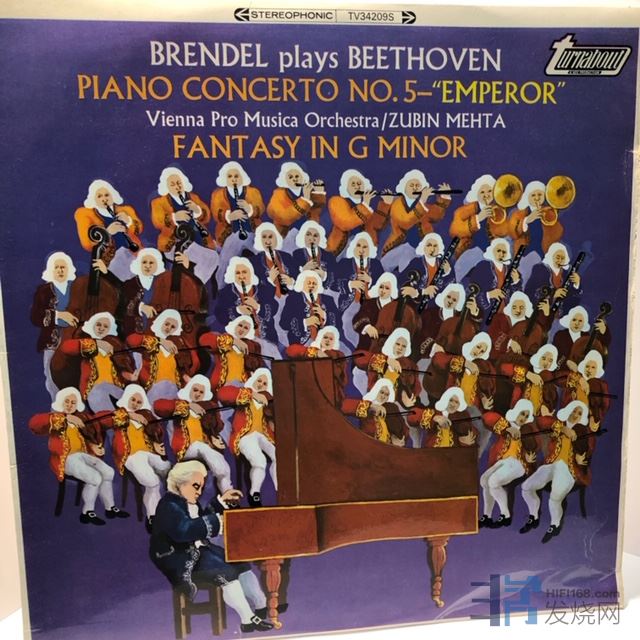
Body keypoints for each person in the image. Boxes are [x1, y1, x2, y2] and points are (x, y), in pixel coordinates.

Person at [149, 460, 273, 632]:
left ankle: (261, 605)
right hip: (178, 557)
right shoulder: (168, 505)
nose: (199, 492)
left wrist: (220, 502)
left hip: (197, 551)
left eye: (201, 487)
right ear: (180, 483)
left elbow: (200, 519)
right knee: (225, 571)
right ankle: (248, 619)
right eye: (195, 486)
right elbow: (184, 531)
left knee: (239, 563)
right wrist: (217, 521)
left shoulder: (186, 501)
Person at [29, 387, 129, 525]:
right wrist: (65, 417)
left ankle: (110, 508)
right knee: (95, 477)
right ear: (60, 401)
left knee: (108, 472)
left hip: (82, 456)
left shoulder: (82, 418)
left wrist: (93, 446)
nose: (70, 405)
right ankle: (87, 512)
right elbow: (34, 424)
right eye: (67, 402)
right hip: (65, 459)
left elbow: (100, 421)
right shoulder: (54, 418)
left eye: (73, 403)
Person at [519, 400, 594, 543]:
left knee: (555, 498)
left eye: (579, 413)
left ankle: (554, 525)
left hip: (569, 469)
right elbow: (542, 422)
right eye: (574, 411)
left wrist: (581, 458)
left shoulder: (584, 432)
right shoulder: (558, 425)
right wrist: (562, 428)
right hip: (551, 464)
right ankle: (534, 516)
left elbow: (589, 448)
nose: (575, 415)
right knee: (526, 487)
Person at [101, 384, 170, 532]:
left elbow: (157, 433)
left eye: (139, 402)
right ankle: (153, 516)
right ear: (126, 398)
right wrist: (129, 415)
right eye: (133, 400)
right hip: (131, 456)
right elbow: (101, 420)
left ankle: (171, 508)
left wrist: (156, 445)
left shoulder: (146, 416)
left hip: (149, 453)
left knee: (169, 470)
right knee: (153, 482)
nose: (135, 404)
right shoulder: (118, 416)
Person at [154, 375, 233, 494]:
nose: (197, 394)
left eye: (201, 392)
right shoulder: (179, 406)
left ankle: (227, 490)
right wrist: (189, 405)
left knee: (215, 456)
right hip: (185, 451)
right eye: (195, 390)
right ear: (189, 389)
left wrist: (214, 437)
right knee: (199, 446)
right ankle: (222, 475)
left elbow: (218, 426)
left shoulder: (207, 408)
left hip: (205, 450)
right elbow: (158, 406)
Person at [218, 368, 277, 508]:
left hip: (263, 435)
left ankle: (278, 489)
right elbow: (223, 394)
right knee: (259, 460)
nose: (261, 385)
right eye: (259, 381)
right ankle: (254, 493)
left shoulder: (268, 402)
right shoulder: (244, 395)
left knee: (278, 455)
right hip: (245, 437)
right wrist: (252, 394)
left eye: (264, 383)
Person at [479, 399, 538, 528]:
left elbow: (533, 447)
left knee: (493, 481)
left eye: (526, 416)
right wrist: (507, 429)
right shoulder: (506, 424)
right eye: (522, 413)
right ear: (516, 411)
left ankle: (505, 515)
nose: (523, 418)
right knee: (484, 480)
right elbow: (487, 418)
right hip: (502, 461)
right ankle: (487, 516)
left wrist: (528, 458)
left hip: (518, 464)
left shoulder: (527, 430)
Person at [60, 311, 136, 411]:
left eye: (105, 326)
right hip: (94, 393)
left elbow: (121, 369)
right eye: (98, 325)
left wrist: (129, 376)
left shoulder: (115, 345)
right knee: (101, 393)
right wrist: (97, 343)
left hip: (115, 390)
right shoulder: (86, 342)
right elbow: (66, 347)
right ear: (92, 325)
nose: (101, 328)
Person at [31, 252, 79, 400]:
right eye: (56, 267)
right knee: (52, 377)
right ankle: (57, 406)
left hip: (75, 339)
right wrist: (58, 315)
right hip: (52, 341)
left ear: (69, 268)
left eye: (63, 267)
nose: (60, 270)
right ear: (51, 270)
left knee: (76, 374)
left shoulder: (77, 287)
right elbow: (35, 316)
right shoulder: (44, 290)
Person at [125, 309, 197, 405]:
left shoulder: (177, 346)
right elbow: (131, 340)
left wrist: (189, 379)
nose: (168, 328)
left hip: (173, 390)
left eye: (173, 327)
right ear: (161, 322)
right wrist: (161, 341)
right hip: (153, 390)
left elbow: (181, 371)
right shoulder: (149, 341)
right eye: (166, 324)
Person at [74, 179, 143, 269]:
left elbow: (139, 230)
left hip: (133, 255)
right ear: (93, 199)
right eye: (99, 196)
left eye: (107, 195)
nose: (104, 199)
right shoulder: (85, 214)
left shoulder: (126, 210)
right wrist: (107, 233)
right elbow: (87, 244)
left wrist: (129, 221)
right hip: (107, 261)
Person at [382, 170, 452, 255]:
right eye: (411, 185)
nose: (414, 188)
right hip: (400, 247)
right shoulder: (397, 204)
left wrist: (444, 197)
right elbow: (405, 222)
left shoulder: (422, 203)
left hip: (423, 247)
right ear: (404, 187)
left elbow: (436, 215)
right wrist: (422, 201)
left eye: (418, 186)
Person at [326, 169, 391, 254]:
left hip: (364, 250)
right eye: (353, 184)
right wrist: (365, 205)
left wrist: (386, 204)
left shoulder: (367, 204)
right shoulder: (337, 201)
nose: (357, 187)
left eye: (359, 184)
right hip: (343, 250)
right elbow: (345, 223)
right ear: (346, 187)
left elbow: (377, 225)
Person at [151, 167, 213, 252]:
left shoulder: (194, 197)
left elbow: (207, 216)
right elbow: (158, 222)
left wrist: (197, 210)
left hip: (197, 236)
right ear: (166, 187)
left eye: (179, 183)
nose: (177, 187)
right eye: (172, 185)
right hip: (173, 240)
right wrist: (175, 217)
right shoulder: (158, 202)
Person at [449, 174, 509, 257]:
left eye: (489, 191)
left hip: (494, 251)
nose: (486, 195)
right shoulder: (467, 210)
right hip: (471, 251)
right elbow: (454, 230)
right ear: (476, 194)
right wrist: (478, 218)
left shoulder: (499, 209)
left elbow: (505, 232)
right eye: (482, 192)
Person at [210, 161, 265, 246]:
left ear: (242, 177)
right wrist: (228, 216)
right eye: (229, 176)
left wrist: (250, 209)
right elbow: (215, 212)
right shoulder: (218, 195)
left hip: (252, 230)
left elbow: (261, 208)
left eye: (236, 176)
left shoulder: (253, 192)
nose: (233, 179)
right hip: (228, 234)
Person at [280, 270, 339, 346]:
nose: (312, 285)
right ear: (301, 284)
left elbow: (338, 324)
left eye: (314, 283)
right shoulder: (293, 299)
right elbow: (283, 323)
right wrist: (305, 322)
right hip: (300, 345)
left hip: (324, 346)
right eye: (309, 283)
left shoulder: (328, 300)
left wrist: (324, 315)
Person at [266, 161, 326, 237]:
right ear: (284, 180)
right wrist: (305, 200)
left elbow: (315, 213)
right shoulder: (279, 194)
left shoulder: (307, 190)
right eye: (290, 177)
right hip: (285, 235)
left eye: (297, 176)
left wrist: (319, 193)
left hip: (307, 235)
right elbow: (283, 218)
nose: (294, 179)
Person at [341, 379, 405, 446]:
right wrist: (370, 406)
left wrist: (399, 439)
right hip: (368, 446)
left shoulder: (390, 409)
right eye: (381, 392)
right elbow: (344, 406)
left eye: (386, 395)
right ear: (376, 390)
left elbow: (403, 428)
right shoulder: (367, 405)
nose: (383, 396)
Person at [524, 241, 582, 316]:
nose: (560, 260)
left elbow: (572, 298)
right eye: (557, 257)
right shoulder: (540, 269)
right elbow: (530, 292)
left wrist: (576, 284)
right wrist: (553, 294)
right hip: (541, 313)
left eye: (562, 258)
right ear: (551, 256)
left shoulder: (566, 273)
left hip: (560, 315)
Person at [407, 386, 477, 448]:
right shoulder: (435, 412)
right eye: (451, 400)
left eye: (456, 402)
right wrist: (434, 418)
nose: (453, 404)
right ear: (445, 399)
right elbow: (411, 415)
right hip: (433, 453)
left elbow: (472, 433)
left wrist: (464, 440)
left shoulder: (461, 417)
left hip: (452, 455)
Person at [118, 247, 166, 336]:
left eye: (151, 263)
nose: (147, 266)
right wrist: (141, 307)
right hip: (133, 331)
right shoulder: (129, 284)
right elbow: (122, 307)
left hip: (156, 331)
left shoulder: (162, 283)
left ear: (158, 264)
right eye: (144, 262)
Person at [509, 180, 564, 254]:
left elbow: (559, 232)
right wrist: (527, 220)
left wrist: (550, 218)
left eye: (540, 194)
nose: (537, 198)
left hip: (544, 251)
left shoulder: (549, 212)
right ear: (527, 197)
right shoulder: (519, 214)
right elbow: (513, 234)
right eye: (533, 195)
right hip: (524, 252)